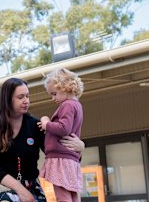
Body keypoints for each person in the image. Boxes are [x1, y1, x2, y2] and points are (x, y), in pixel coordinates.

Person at [0, 78, 84, 202]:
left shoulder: (35, 125)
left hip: (29, 184)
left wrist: (79, 148)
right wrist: (20, 189)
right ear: (7, 99)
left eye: (27, 96)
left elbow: (56, 152)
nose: (26, 101)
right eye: (20, 97)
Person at [38, 68, 84, 202]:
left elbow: (64, 128)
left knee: (62, 197)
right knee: (73, 195)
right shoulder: (77, 105)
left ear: (65, 88)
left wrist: (47, 124)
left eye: (54, 93)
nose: (53, 98)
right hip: (70, 159)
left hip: (60, 159)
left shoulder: (67, 105)